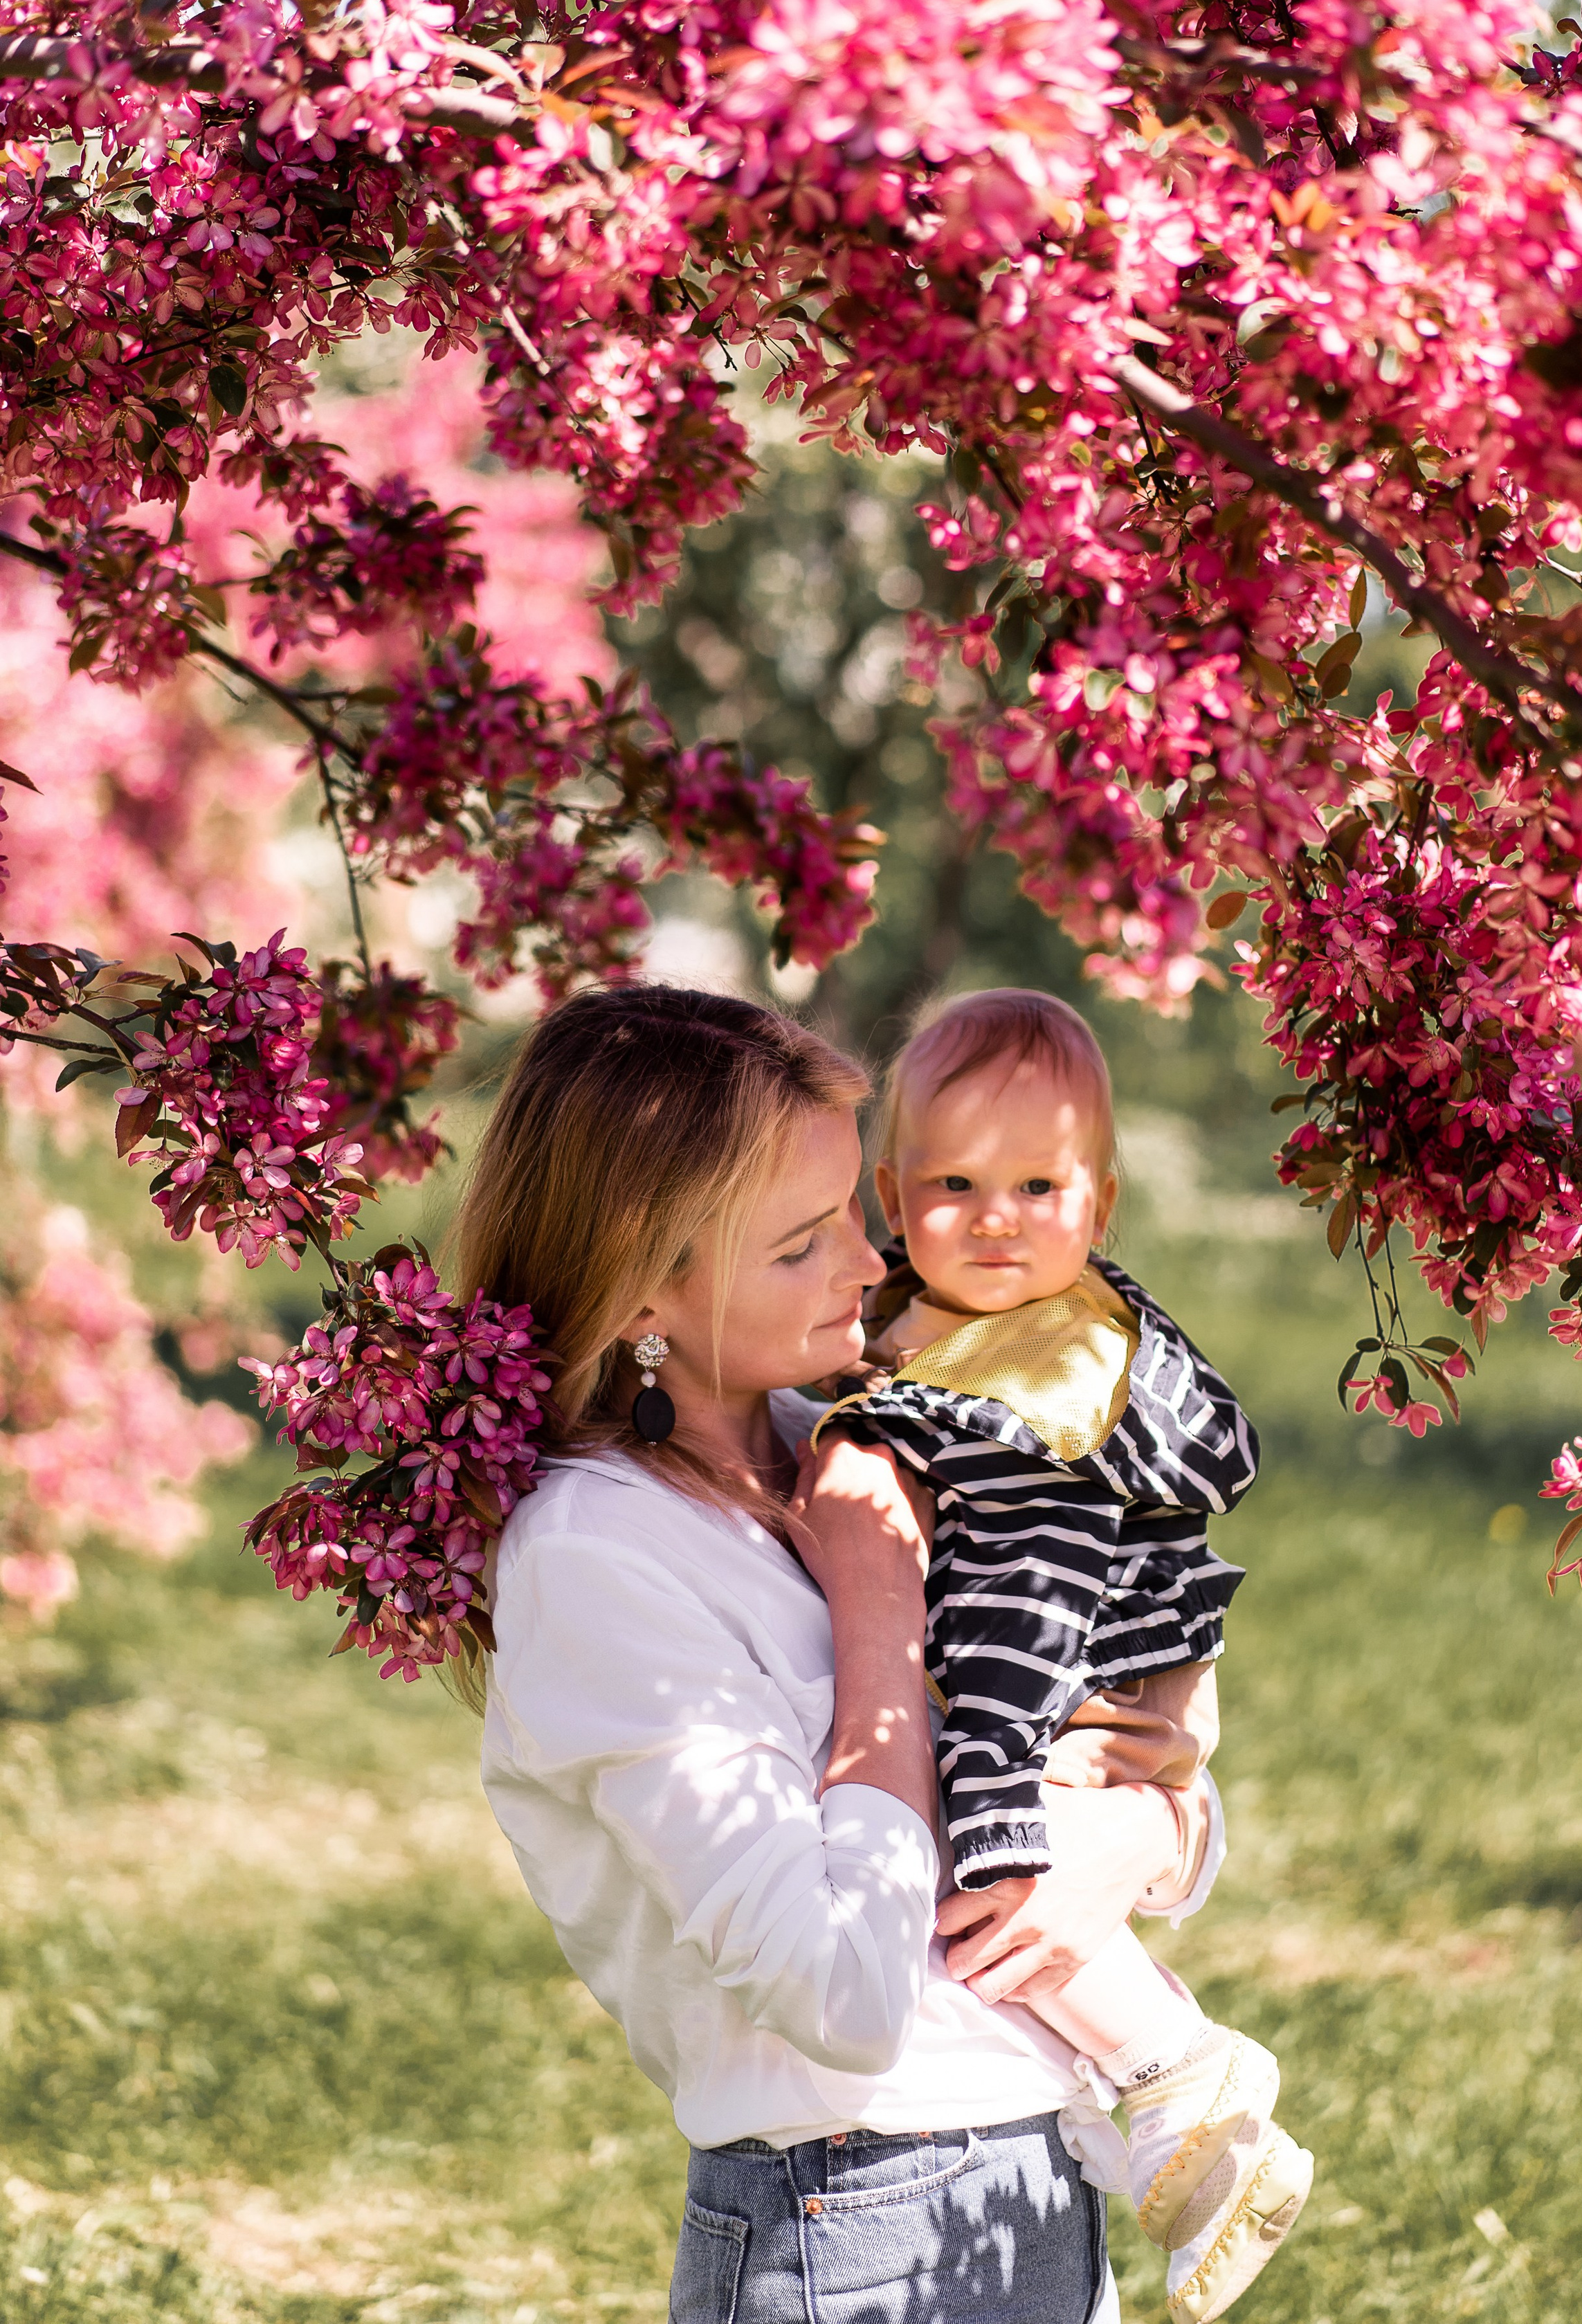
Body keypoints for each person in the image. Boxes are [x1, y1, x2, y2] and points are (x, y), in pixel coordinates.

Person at [460, 984, 1219, 2324]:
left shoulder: (867, 1447)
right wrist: (879, 1623)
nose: (873, 1267)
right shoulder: (597, 1557)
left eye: (857, 1221)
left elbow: (1131, 1728)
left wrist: (1143, 1841)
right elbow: (842, 1992)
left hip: (1041, 2182)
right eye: (804, 1243)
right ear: (645, 1290)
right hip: (856, 2219)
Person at [813, 990, 1312, 2321]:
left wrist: (989, 1789)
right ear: (892, 1195)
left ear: (1100, 1203)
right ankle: (1147, 2093)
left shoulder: (1025, 1400)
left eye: (1038, 1185)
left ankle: (1167, 2068)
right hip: (1124, 1645)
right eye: (956, 1184)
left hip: (1060, 1663)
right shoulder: (1037, 1323)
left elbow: (1013, 1615)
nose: (995, 1217)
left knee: (1003, 1873)